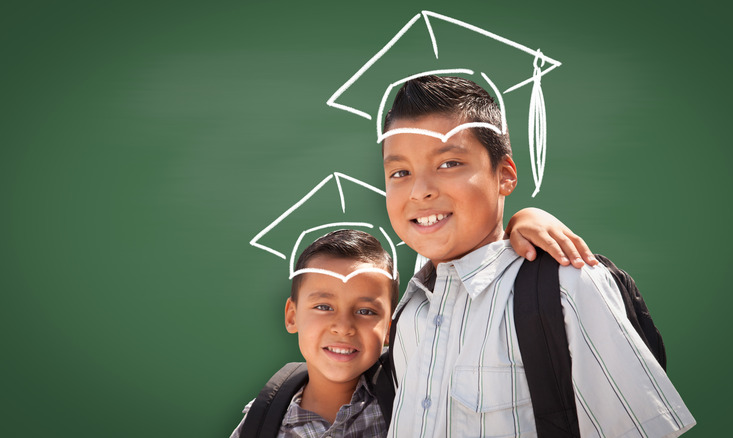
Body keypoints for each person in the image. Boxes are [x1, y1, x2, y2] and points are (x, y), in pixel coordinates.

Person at [381, 75, 696, 437]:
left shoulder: (567, 287)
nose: (420, 191)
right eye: (400, 172)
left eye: (449, 163)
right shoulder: (409, 316)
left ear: (505, 176)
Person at [231, 212, 599, 437]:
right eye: (324, 306)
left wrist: (523, 219)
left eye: (365, 312)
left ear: (390, 326)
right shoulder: (264, 419)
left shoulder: (413, 392)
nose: (343, 327)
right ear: (292, 315)